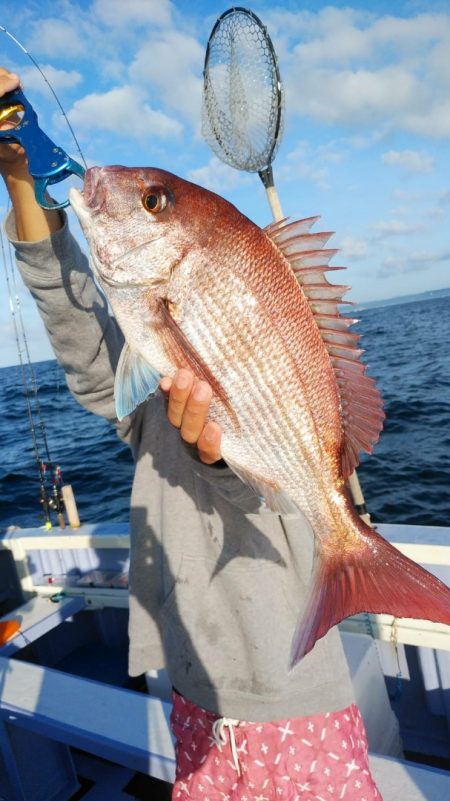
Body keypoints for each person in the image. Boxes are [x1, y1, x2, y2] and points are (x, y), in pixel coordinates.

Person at [0, 67, 383, 801]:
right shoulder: (143, 381)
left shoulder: (185, 335)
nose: (135, 198)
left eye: (151, 202)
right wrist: (19, 175)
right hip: (193, 697)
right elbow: (83, 338)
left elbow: (266, 480)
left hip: (297, 693)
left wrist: (222, 461)